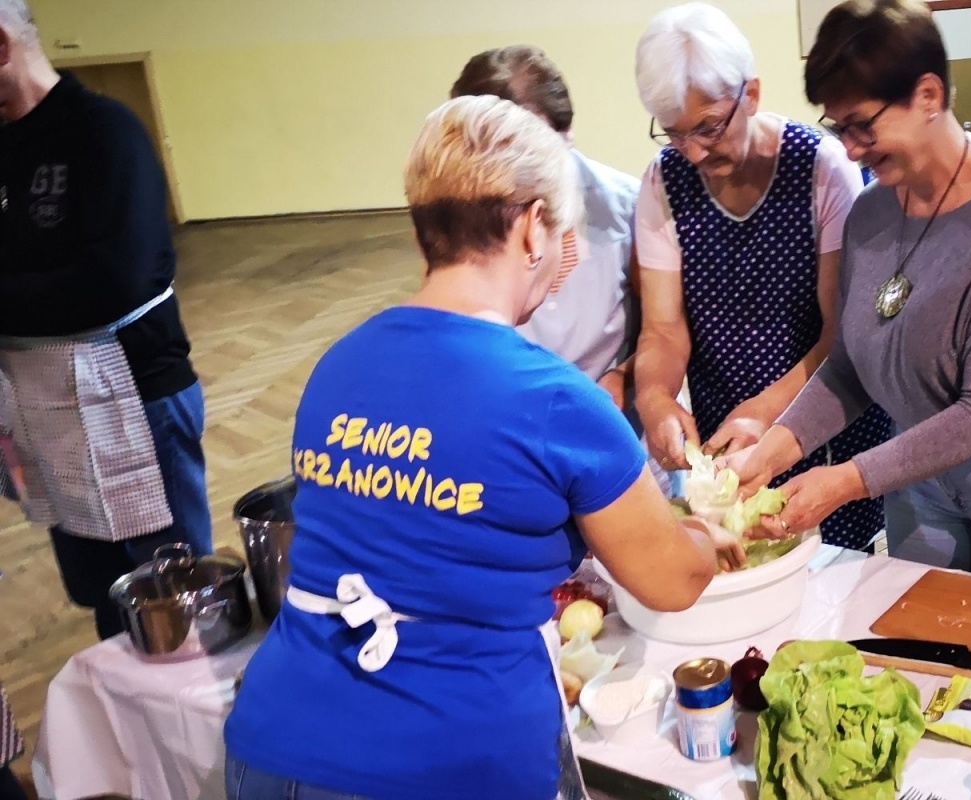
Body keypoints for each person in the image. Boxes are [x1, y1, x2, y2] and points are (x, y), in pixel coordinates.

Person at [222, 95, 739, 800]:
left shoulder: (336, 364)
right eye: (567, 230)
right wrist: (702, 537)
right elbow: (670, 579)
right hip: (450, 760)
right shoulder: (558, 402)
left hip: (274, 743)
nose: (574, 254)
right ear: (532, 230)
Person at [728, 0, 971, 595]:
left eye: (864, 125)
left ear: (929, 95)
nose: (853, 149)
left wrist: (846, 480)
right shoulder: (870, 211)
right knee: (922, 654)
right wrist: (778, 445)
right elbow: (852, 364)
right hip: (918, 473)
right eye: (840, 129)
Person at [630, 2, 893, 550]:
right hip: (726, 427)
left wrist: (765, 412)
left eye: (708, 127)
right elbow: (663, 329)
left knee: (831, 572)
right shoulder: (663, 181)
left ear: (750, 93)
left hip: (820, 422)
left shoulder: (820, 166)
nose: (695, 152)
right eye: (676, 134)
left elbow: (838, 336)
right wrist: (656, 398)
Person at [0, 0, 211, 641]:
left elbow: (116, 282)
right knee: (105, 592)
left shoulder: (104, 132)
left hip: (135, 392)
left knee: (171, 587)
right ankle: (125, 718)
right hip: (40, 405)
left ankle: (201, 726)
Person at [450, 45, 670, 493]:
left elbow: (666, 331)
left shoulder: (631, 205)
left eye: (532, 151)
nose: (515, 175)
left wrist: (623, 376)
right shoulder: (461, 227)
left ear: (566, 133)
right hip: (514, 454)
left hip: (620, 450)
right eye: (493, 157)